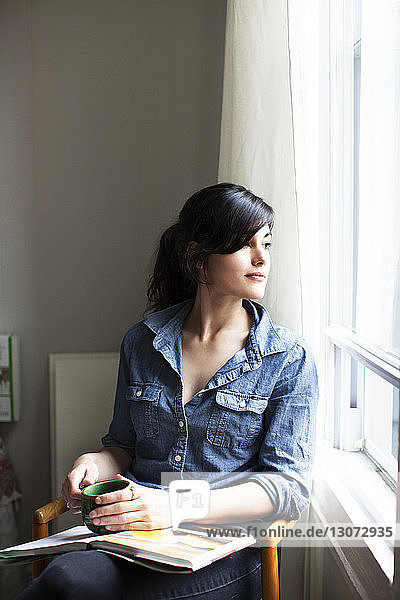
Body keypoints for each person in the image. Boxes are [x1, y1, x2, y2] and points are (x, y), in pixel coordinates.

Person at [18, 183, 318, 600]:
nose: (262, 257)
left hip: (221, 549)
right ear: (199, 258)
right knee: (62, 581)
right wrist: (95, 462)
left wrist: (175, 506)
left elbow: (288, 487)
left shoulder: (288, 359)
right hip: (133, 536)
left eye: (266, 243)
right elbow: (122, 446)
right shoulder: (142, 341)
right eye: (243, 245)